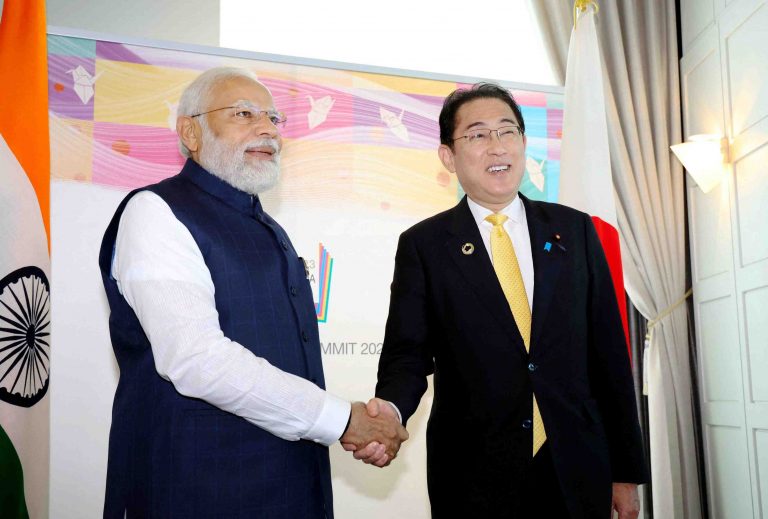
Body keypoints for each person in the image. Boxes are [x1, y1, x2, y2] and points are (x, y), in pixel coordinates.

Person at [97, 66, 407, 519]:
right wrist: (343, 420)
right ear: (191, 131)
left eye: (273, 118)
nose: (267, 128)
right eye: (243, 113)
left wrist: (354, 423)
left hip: (290, 487)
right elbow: (196, 359)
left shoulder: (268, 227)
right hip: (195, 491)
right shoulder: (156, 212)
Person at [353, 83, 648, 518]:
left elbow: (608, 356)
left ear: (524, 144)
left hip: (577, 463)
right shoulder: (425, 246)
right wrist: (390, 412)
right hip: (474, 473)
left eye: (507, 132)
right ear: (448, 157)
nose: (497, 146)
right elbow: (407, 355)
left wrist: (625, 471)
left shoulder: (576, 232)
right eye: (477, 134)